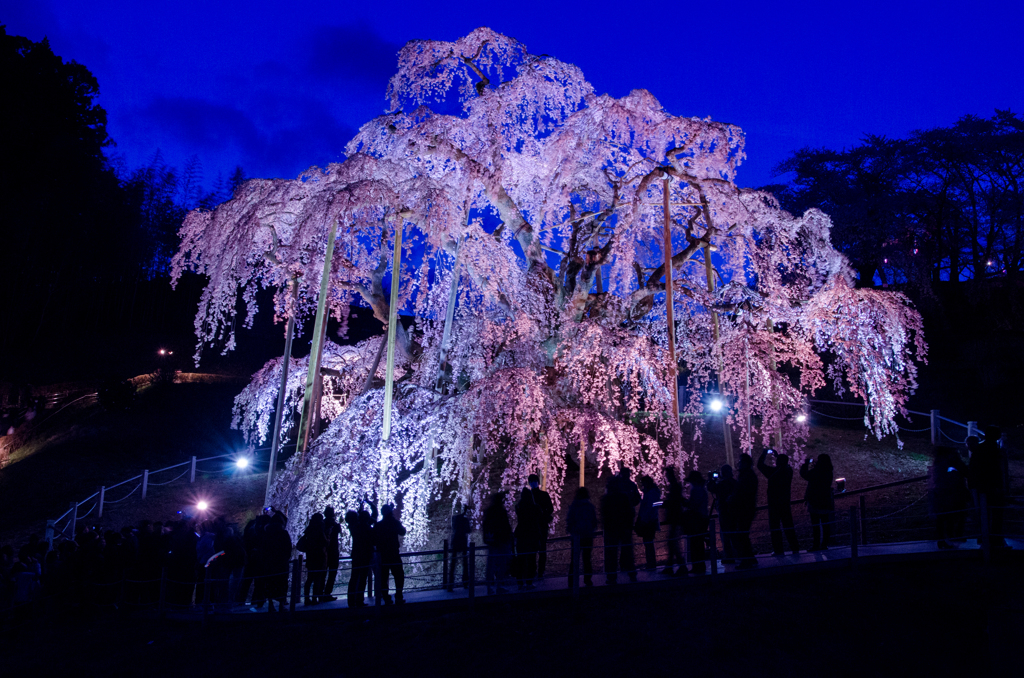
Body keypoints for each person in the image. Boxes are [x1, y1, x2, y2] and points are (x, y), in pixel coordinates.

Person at [968, 427, 1008, 549]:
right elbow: (997, 470)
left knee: (985, 514)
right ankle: (995, 539)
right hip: (993, 486)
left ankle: (985, 537)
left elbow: (974, 468)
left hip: (983, 487)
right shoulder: (995, 450)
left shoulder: (980, 449)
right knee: (996, 513)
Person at [601, 468, 641, 584]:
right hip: (624, 527)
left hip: (612, 529)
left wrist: (606, 526)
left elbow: (604, 514)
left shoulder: (607, 498)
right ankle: (631, 573)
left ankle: (612, 576)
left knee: (611, 553)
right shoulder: (625, 494)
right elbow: (631, 507)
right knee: (627, 551)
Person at [757, 449, 800, 556]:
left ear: (778, 462)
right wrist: (778, 456)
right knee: (788, 525)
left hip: (774, 503)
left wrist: (764, 454)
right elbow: (785, 466)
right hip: (785, 502)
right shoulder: (788, 471)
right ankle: (795, 548)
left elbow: (759, 465)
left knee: (775, 527)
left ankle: (778, 550)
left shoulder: (773, 473)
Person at [930, 446, 969, 548]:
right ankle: (951, 537)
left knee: (943, 517)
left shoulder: (938, 462)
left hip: (941, 493)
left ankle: (944, 539)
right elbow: (965, 471)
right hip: (952, 492)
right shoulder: (951, 461)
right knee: (951, 516)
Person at [373, 504, 407, 604]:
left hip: (382, 555)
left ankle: (386, 598)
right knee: (399, 575)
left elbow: (374, 540)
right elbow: (402, 532)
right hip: (393, 553)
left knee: (383, 577)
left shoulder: (379, 525)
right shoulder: (394, 523)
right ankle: (399, 596)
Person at [801, 454, 835, 551]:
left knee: (815, 525)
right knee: (825, 524)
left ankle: (816, 545)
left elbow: (804, 474)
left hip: (814, 500)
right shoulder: (828, 471)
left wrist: (805, 464)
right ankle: (824, 544)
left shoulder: (817, 471)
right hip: (825, 500)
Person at [344, 501, 375, 608]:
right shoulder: (366, 528)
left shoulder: (354, 527)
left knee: (354, 578)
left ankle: (351, 601)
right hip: (365, 555)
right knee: (362, 579)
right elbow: (374, 519)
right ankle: (359, 600)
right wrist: (371, 505)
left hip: (356, 555)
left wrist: (361, 506)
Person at [482, 493, 513, 594]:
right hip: (501, 540)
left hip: (492, 539)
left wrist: (486, 537)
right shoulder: (501, 511)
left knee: (491, 563)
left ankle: (489, 586)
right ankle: (499, 585)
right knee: (501, 563)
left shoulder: (488, 511)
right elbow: (506, 526)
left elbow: (485, 525)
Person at [566, 487, 597, 586]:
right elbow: (594, 520)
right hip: (588, 535)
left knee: (574, 559)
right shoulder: (590, 506)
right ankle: (588, 579)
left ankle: (572, 581)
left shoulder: (574, 506)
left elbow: (569, 519)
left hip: (576, 536)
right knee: (587, 559)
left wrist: (571, 530)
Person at [263, 511, 292, 612]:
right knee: (282, 583)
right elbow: (288, 547)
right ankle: (281, 605)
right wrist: (286, 558)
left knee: (270, 583)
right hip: (281, 562)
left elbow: (264, 548)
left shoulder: (267, 534)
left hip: (270, 562)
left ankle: (271, 604)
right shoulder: (283, 533)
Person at [733, 454, 759, 569]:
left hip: (744, 509)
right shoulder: (749, 475)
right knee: (743, 534)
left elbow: (743, 492)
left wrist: (733, 498)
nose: (739, 464)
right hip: (747, 508)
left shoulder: (746, 476)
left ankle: (747, 560)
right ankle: (750, 558)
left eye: (741, 462)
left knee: (742, 535)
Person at [708, 465, 738, 564]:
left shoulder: (722, 484)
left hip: (724, 512)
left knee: (725, 534)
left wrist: (710, 479)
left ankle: (729, 557)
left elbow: (711, 488)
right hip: (734, 512)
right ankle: (737, 554)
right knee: (734, 534)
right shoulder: (734, 482)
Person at [682, 470, 710, 574]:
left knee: (695, 543)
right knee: (699, 543)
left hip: (697, 519)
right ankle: (700, 566)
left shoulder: (695, 490)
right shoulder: (703, 489)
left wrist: (684, 502)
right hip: (703, 518)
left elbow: (693, 505)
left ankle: (697, 566)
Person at [298, 512, 328, 605]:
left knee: (310, 578)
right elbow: (325, 542)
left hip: (310, 556)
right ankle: (314, 598)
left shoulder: (309, 530)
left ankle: (307, 599)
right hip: (318, 556)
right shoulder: (319, 530)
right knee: (317, 579)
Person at [528, 474, 554, 580]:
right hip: (540, 525)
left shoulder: (530, 496)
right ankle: (539, 571)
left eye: (534, 481)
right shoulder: (542, 495)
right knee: (541, 549)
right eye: (531, 481)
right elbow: (550, 509)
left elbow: (551, 508)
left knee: (536, 549)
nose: (533, 483)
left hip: (535, 526)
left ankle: (536, 571)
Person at [514, 488, 540, 588]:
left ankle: (520, 582)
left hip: (521, 533)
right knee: (532, 558)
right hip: (532, 533)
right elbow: (539, 517)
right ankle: (529, 581)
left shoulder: (519, 507)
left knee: (520, 559)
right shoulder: (535, 508)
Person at [662, 467, 686, 575]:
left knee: (673, 543)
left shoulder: (674, 487)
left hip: (675, 518)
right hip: (676, 518)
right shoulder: (675, 487)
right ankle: (672, 566)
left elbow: (673, 502)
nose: (666, 477)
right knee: (672, 543)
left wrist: (661, 504)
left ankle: (679, 566)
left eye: (667, 474)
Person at [635, 475, 661, 571]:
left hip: (648, 522)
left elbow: (650, 507)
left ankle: (651, 564)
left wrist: (644, 519)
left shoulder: (650, 493)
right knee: (648, 543)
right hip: (650, 521)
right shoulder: (652, 493)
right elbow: (655, 506)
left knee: (648, 543)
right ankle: (650, 563)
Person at [447, 504, 471, 591]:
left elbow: (453, 528)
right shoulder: (465, 520)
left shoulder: (455, 518)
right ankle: (465, 583)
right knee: (465, 563)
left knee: (453, 563)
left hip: (456, 541)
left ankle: (450, 584)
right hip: (463, 542)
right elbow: (468, 530)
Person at [322, 506, 341, 602]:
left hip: (324, 552)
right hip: (333, 551)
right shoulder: (335, 524)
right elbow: (339, 531)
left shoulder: (322, 524)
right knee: (332, 574)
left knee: (322, 574)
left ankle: (320, 594)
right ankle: (327, 593)